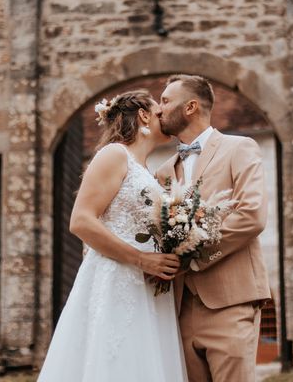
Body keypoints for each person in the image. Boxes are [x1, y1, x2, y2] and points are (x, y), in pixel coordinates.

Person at [37, 90, 188, 382]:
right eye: (159, 112)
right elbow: (81, 221)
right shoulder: (115, 154)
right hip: (117, 277)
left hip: (149, 285)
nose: (165, 118)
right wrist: (142, 259)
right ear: (143, 115)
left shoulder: (148, 170)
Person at [156, 74, 270, 382]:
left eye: (166, 101)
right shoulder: (163, 173)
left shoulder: (239, 148)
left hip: (230, 300)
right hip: (178, 309)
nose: (158, 109)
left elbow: (251, 215)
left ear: (190, 106)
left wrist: (193, 255)